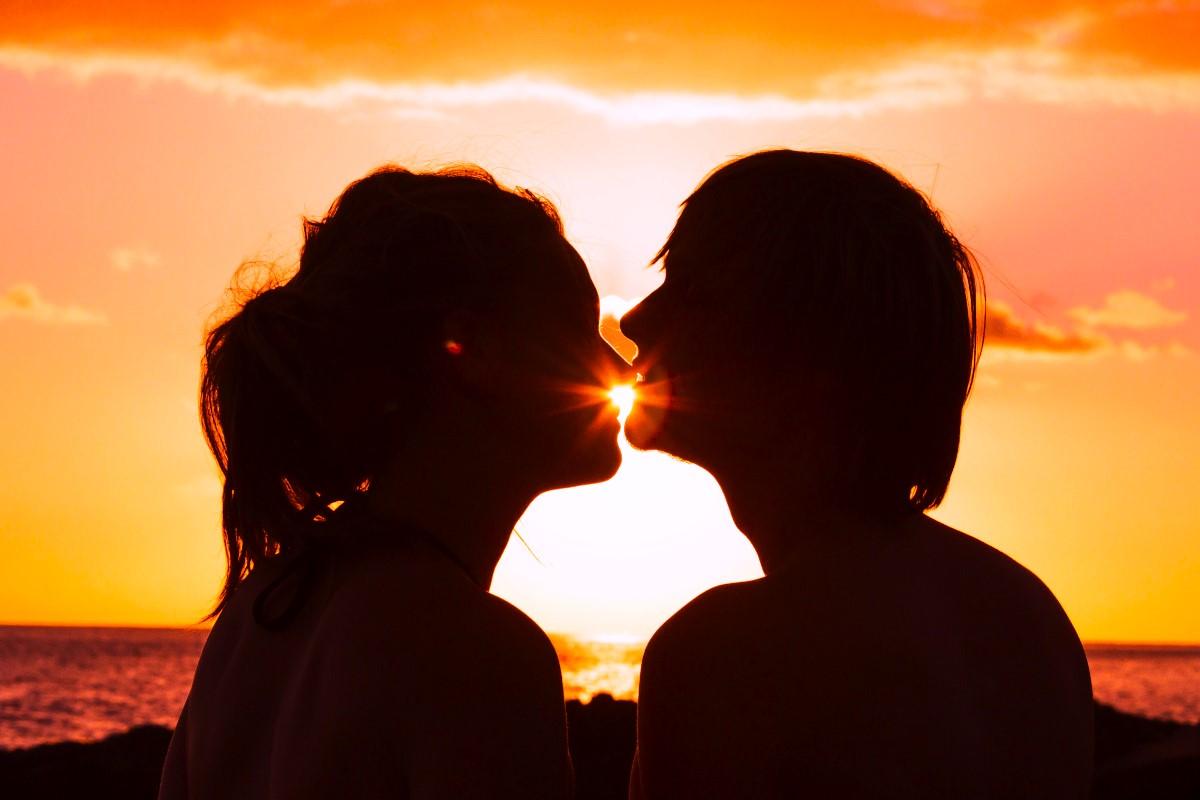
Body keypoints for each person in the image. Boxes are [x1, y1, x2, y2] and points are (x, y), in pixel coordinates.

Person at [621, 150, 1094, 798]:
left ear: (807, 365)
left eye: (695, 293)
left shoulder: (727, 651)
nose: (635, 318)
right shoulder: (1028, 619)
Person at [159, 165, 630, 799]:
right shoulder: (473, 650)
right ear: (470, 348)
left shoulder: (255, 615)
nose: (620, 366)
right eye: (579, 329)